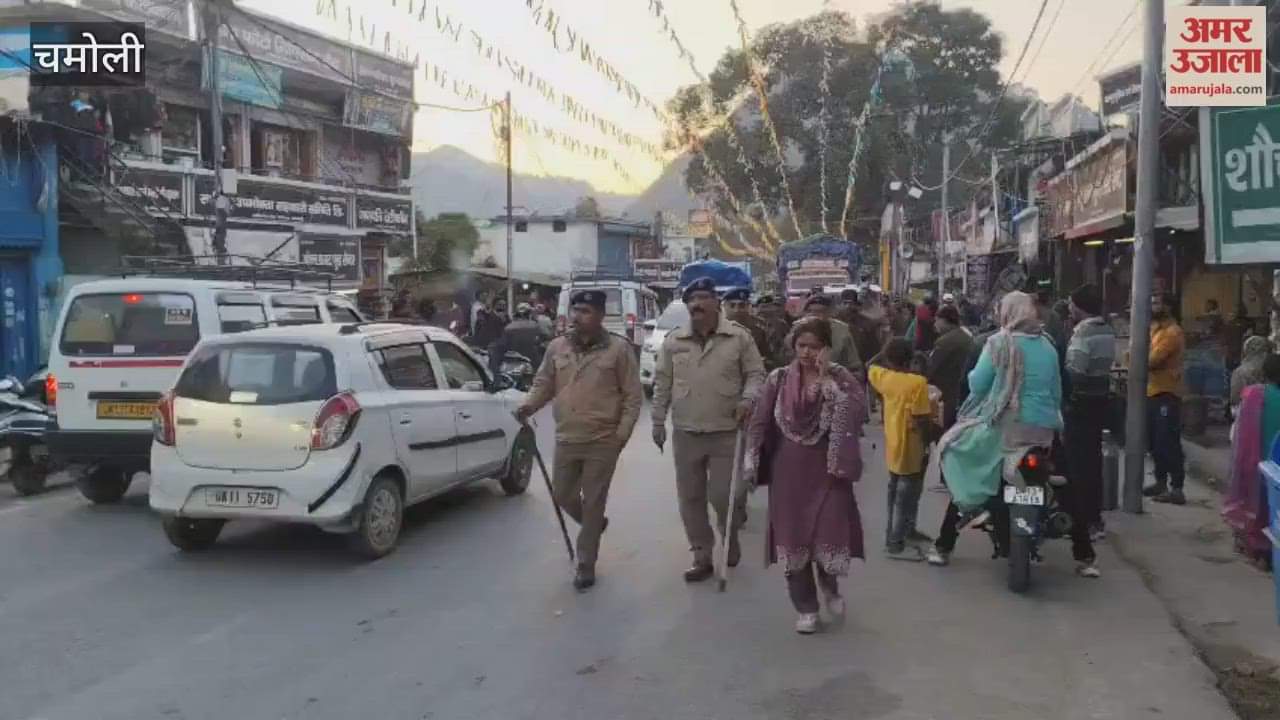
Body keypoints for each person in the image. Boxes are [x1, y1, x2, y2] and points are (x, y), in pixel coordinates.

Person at [745, 317, 866, 634]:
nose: (807, 352)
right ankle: (806, 609)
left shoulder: (841, 379)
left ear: (827, 347)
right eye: (801, 346)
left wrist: (829, 386)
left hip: (829, 470)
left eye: (814, 346)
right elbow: (759, 421)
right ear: (793, 346)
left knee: (829, 535)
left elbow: (858, 412)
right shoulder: (779, 379)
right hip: (789, 473)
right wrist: (751, 457)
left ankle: (830, 587)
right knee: (793, 539)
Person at [516, 290, 643, 591]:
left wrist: (621, 435)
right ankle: (593, 524)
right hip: (567, 435)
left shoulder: (618, 349)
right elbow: (544, 383)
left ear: (600, 315)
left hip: (603, 438)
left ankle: (586, 563)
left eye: (585, 311)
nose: (577, 316)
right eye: (575, 310)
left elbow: (632, 397)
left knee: (594, 499)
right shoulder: (557, 347)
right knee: (562, 495)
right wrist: (528, 406)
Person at [934, 292, 1066, 563]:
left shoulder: (999, 343)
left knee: (957, 452)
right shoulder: (1048, 345)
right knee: (1065, 481)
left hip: (1007, 429)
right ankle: (1084, 550)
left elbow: (977, 385)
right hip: (1043, 431)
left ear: (1007, 313)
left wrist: (983, 378)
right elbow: (1057, 391)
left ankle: (950, 536)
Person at [652, 277, 766, 582]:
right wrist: (657, 420)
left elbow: (756, 374)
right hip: (686, 431)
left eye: (703, 297)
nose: (697, 304)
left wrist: (747, 399)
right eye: (691, 299)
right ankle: (701, 554)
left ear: (717, 303)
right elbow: (662, 382)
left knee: (724, 495)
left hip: (727, 430)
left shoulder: (738, 338)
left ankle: (729, 538)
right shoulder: (674, 341)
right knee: (690, 497)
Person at [869, 338, 934, 562]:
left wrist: (885, 352)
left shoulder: (883, 377)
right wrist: (928, 443)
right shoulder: (918, 383)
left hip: (894, 443)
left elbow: (870, 364)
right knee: (908, 494)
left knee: (896, 491)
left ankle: (904, 533)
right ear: (910, 358)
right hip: (912, 445)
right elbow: (921, 418)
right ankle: (896, 543)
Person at [1062, 283, 1116, 553]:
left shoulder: (1084, 333)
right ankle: (1094, 519)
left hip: (1080, 404)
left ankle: (1082, 521)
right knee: (1092, 462)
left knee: (1077, 464)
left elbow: (1076, 372)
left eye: (1072, 304)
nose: (1070, 308)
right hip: (1099, 401)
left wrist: (1061, 379)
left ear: (1080, 307)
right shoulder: (1107, 330)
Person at [1224, 354, 1280, 566]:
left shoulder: (1254, 394)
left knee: (1257, 506)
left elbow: (1240, 436)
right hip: (1276, 466)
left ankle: (1257, 549)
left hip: (1255, 464)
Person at [1144, 292, 1188, 505]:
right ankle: (1160, 482)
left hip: (1167, 393)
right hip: (1153, 391)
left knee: (1167, 441)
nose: (1152, 306)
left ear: (1168, 307)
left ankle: (1177, 488)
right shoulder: (1155, 329)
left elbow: (1151, 360)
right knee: (1154, 441)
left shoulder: (1172, 332)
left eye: (1156, 302)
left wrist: (1136, 356)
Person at [786, 293, 863, 375]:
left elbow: (854, 364)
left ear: (830, 313)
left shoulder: (842, 330)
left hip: (834, 375)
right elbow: (787, 356)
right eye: (810, 311)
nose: (814, 315)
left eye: (820, 311)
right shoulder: (797, 327)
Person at [489, 302, 550, 373]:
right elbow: (544, 338)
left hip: (512, 361)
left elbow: (501, 346)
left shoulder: (509, 327)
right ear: (529, 314)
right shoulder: (535, 325)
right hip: (532, 362)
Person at [723, 287, 771, 364]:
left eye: (741, 306)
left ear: (748, 306)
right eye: (732, 305)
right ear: (724, 306)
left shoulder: (758, 329)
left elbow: (767, 356)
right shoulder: (716, 328)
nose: (736, 310)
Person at [1230, 336, 1272, 414]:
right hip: (1266, 412)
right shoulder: (1271, 369)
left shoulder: (1239, 372)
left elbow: (1235, 399)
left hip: (1246, 413)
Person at [755, 295, 792, 371]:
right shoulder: (753, 324)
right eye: (763, 307)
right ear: (758, 309)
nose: (766, 310)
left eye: (768, 307)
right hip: (756, 363)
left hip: (777, 364)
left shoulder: (782, 325)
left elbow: (787, 344)